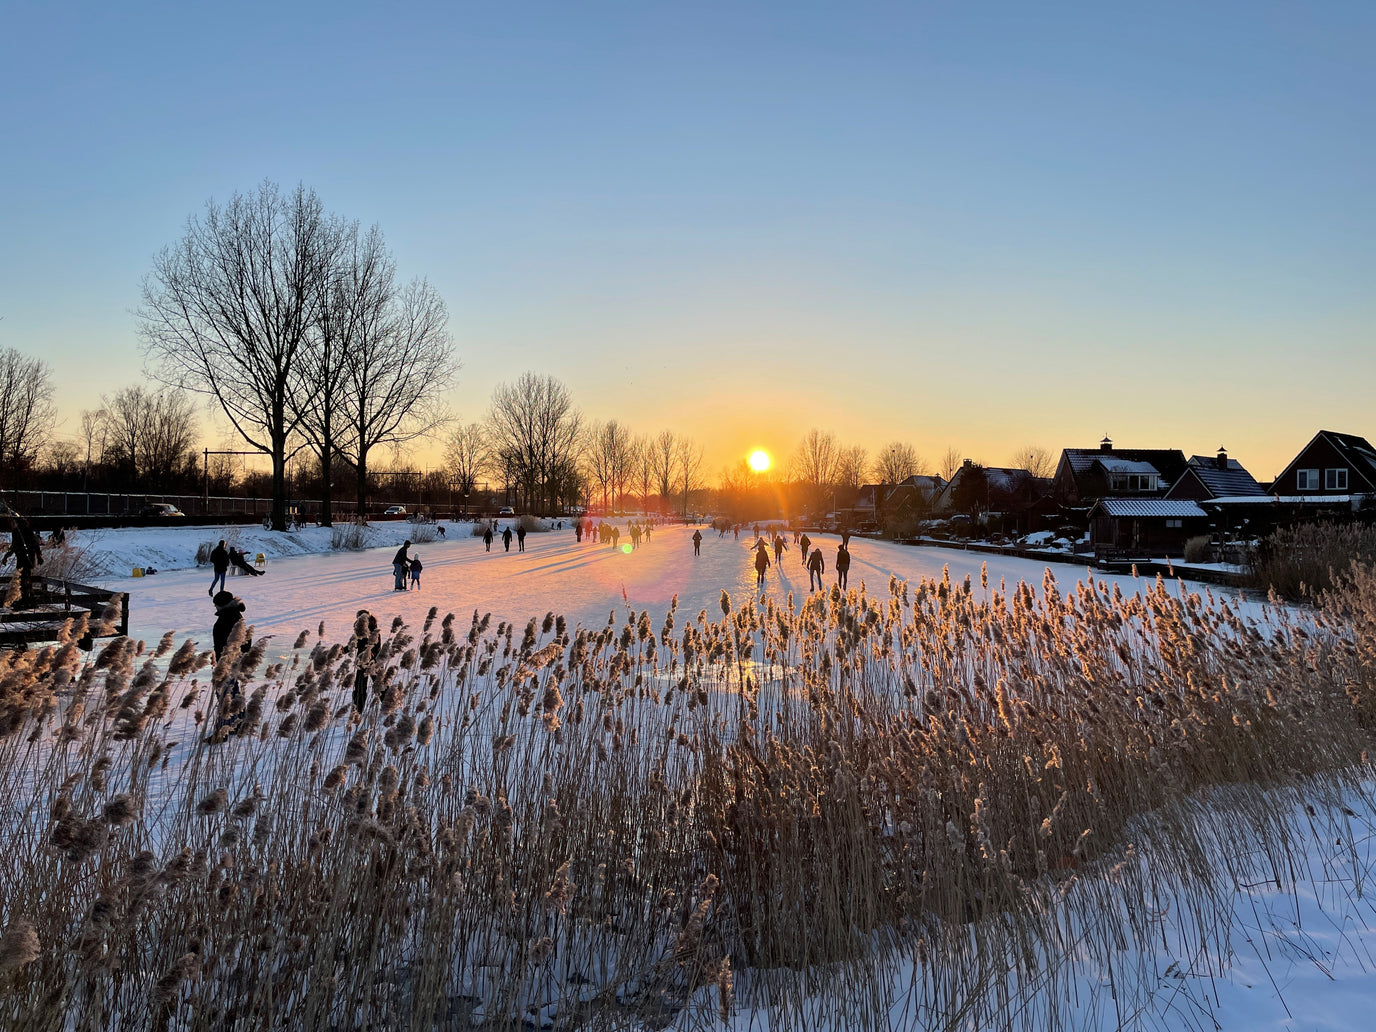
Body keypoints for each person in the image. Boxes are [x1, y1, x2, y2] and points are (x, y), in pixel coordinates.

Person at [351, 609, 381, 713]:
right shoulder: (360, 630)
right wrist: (344, 650)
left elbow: (377, 645)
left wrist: (370, 652)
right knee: (360, 686)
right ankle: (358, 709)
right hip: (363, 662)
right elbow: (355, 643)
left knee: (379, 684)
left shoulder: (373, 630)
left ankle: (388, 705)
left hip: (373, 662)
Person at [211, 590, 247, 663]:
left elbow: (219, 646)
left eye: (216, 604)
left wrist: (220, 664)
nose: (215, 606)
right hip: (241, 661)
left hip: (228, 663)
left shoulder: (222, 621)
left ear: (221, 605)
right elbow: (246, 640)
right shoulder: (237, 614)